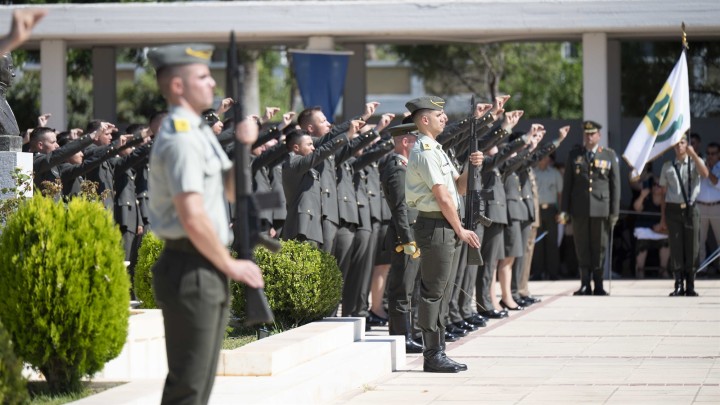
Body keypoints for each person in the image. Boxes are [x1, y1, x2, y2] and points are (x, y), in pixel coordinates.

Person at [146, 43, 264, 405]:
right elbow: (191, 214)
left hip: (202, 265)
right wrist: (230, 264)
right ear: (177, 86)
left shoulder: (198, 132)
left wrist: (243, 147)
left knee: (198, 384)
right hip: (190, 265)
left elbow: (229, 189)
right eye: (202, 77)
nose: (212, 83)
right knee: (189, 387)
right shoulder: (181, 137)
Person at [405, 95, 482, 373]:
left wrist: (472, 165)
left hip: (445, 225)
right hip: (436, 225)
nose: (445, 118)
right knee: (434, 292)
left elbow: (459, 188)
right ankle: (432, 354)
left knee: (443, 290)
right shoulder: (425, 151)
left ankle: (438, 350)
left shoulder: (437, 150)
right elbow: (442, 196)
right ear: (425, 120)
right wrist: (460, 229)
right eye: (440, 116)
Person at [560, 120, 620, 296]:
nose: (589, 137)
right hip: (579, 208)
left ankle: (598, 284)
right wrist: (564, 210)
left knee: (599, 247)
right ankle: (585, 283)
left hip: (601, 208)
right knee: (582, 247)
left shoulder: (608, 155)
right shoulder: (574, 155)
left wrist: (614, 212)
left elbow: (615, 186)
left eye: (592, 134)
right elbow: (567, 185)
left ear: (599, 136)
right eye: (587, 134)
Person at [658, 134, 709, 296]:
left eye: (682, 143)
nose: (679, 146)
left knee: (692, 247)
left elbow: (705, 174)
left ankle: (691, 284)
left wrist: (693, 155)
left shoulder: (695, 163)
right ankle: (678, 284)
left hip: (691, 209)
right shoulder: (667, 166)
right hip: (673, 209)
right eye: (676, 144)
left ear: (687, 145)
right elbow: (663, 193)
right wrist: (663, 217)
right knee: (676, 247)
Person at [531, 153, 563, 280]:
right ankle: (537, 273)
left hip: (551, 210)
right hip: (537, 210)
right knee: (537, 242)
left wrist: (560, 211)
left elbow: (560, 194)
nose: (543, 159)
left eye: (546, 157)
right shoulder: (533, 172)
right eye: (541, 157)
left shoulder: (555, 173)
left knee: (552, 242)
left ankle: (553, 272)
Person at [697, 142, 720, 272]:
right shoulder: (701, 166)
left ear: (719, 154)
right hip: (701, 206)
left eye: (713, 154)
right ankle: (702, 268)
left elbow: (716, 182)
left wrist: (707, 170)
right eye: (708, 153)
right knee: (700, 240)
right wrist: (702, 167)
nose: (710, 156)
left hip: (717, 206)